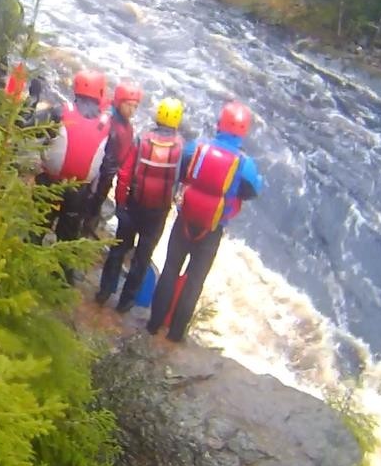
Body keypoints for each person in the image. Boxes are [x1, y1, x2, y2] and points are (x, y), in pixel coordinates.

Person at [147, 101, 264, 342]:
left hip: (185, 220)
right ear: (243, 131)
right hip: (212, 229)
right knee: (194, 281)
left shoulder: (197, 147)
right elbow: (252, 191)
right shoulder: (246, 165)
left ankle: (153, 324)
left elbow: (181, 171)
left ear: (219, 123)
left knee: (170, 268)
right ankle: (176, 334)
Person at [96, 97, 185, 313]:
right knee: (142, 258)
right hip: (158, 212)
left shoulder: (142, 139)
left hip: (134, 205)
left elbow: (125, 173)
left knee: (119, 249)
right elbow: (181, 180)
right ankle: (125, 303)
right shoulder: (182, 147)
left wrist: (120, 201)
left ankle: (105, 292)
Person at [33, 70, 111, 281]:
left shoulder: (60, 111)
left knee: (36, 228)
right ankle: (61, 282)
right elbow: (108, 166)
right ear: (100, 93)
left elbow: (31, 128)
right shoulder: (107, 125)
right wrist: (96, 201)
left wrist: (33, 98)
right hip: (79, 191)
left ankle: (25, 269)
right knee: (68, 238)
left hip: (49, 182)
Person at [83, 80, 142, 237]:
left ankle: (87, 225)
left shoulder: (125, 126)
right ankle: (83, 229)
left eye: (135, 106)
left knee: (96, 201)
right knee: (91, 200)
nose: (132, 110)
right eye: (128, 105)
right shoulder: (108, 121)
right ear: (119, 102)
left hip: (109, 172)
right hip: (99, 171)